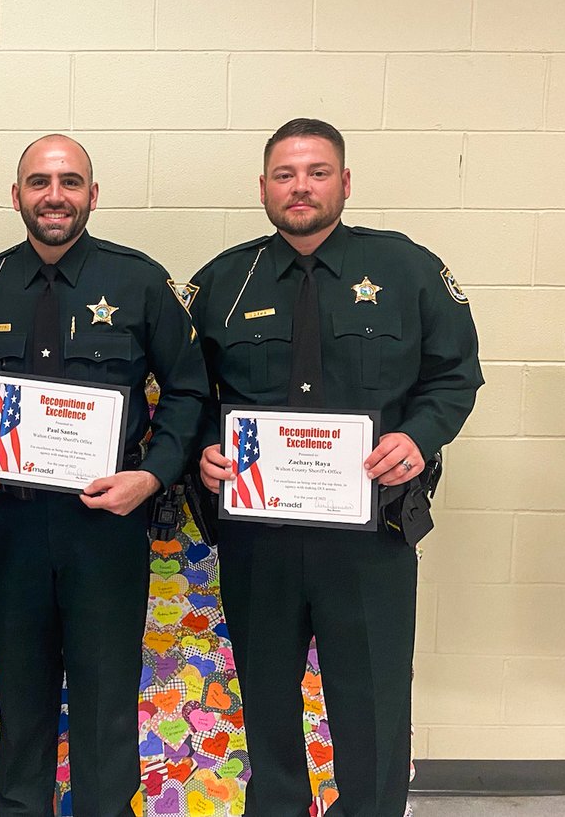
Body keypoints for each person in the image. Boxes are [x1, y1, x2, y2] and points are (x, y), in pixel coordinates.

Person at [190, 118, 483, 816]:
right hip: (259, 537)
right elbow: (187, 392)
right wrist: (203, 446)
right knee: (265, 699)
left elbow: (454, 377)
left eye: (317, 172)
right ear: (264, 186)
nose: (301, 187)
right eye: (286, 174)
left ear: (344, 182)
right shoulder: (223, 282)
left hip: (369, 537)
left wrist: (418, 438)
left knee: (373, 703)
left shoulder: (408, 270)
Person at [0, 134, 207, 816]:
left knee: (104, 700)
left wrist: (150, 477)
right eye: (39, 182)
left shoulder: (140, 281)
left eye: (69, 182)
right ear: (17, 196)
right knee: (23, 694)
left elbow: (188, 390)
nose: (54, 196)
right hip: (12, 524)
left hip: (106, 525)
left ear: (93, 194)